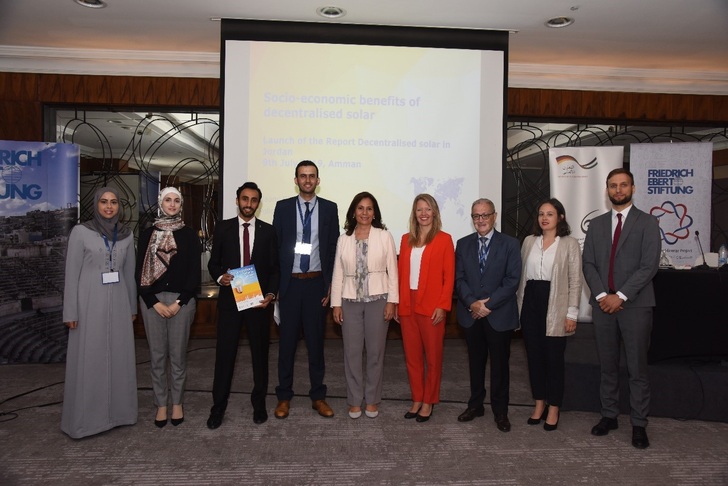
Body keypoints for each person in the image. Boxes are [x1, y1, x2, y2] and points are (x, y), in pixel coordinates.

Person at [582, 168, 660, 449]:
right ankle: (609, 415)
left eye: (623, 185)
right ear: (607, 190)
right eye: (613, 185)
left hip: (636, 305)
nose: (618, 190)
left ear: (633, 188)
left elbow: (649, 265)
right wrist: (604, 295)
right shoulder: (597, 224)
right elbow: (588, 263)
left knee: (637, 368)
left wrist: (622, 296)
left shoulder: (648, 223)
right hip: (603, 304)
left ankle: (639, 423)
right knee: (608, 366)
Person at [61, 186, 137, 439]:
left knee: (119, 358)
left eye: (114, 202)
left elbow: (129, 275)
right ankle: (86, 422)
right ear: (95, 204)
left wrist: (132, 308)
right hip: (87, 305)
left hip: (118, 304)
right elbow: (71, 275)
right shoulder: (81, 232)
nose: (109, 206)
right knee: (89, 360)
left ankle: (119, 414)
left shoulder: (126, 235)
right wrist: (70, 311)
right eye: (104, 202)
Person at [206, 182, 279, 429]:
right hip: (230, 303)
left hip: (258, 304)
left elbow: (274, 268)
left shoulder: (268, 231)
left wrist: (270, 294)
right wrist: (220, 278)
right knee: (224, 357)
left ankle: (259, 405)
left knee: (260, 356)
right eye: (245, 199)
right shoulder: (223, 228)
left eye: (254, 200)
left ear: (259, 203)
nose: (249, 204)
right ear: (237, 200)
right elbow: (213, 264)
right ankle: (218, 407)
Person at [272, 161, 339, 419]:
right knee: (286, 344)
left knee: (315, 344)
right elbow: (276, 249)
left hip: (315, 285)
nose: (307, 180)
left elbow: (332, 249)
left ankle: (318, 396)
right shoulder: (284, 207)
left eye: (312, 176)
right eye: (303, 176)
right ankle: (283, 397)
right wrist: (276, 286)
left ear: (318, 180)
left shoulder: (330, 208)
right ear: (296, 179)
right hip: (289, 285)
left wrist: (331, 284)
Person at [136, 187, 201, 428]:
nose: (172, 204)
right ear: (160, 203)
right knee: (156, 356)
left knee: (177, 357)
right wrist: (153, 302)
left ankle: (177, 404)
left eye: (176, 201)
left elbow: (194, 274)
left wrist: (178, 303)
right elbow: (138, 273)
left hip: (181, 303)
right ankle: (161, 404)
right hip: (152, 303)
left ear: (181, 205)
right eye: (167, 200)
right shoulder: (147, 234)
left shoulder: (189, 235)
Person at [455, 198, 521, 433]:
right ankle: (475, 405)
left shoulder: (511, 244)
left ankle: (500, 411)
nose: (480, 220)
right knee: (475, 363)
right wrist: (472, 303)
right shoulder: (462, 244)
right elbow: (459, 279)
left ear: (495, 216)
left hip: (499, 315)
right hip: (471, 314)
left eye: (485, 215)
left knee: (500, 366)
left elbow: (512, 280)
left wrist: (487, 304)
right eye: (476, 216)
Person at [331, 192, 398, 419]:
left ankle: (372, 399)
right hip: (349, 302)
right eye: (360, 208)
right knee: (351, 353)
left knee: (376, 353)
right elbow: (338, 274)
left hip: (378, 300)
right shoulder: (344, 239)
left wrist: (392, 301)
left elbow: (393, 272)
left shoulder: (384, 236)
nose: (365, 213)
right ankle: (354, 400)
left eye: (369, 209)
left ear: (375, 213)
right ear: (353, 212)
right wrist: (336, 304)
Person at [516, 198, 581, 431]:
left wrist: (572, 313)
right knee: (534, 359)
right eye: (541, 213)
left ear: (560, 218)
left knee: (554, 360)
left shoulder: (569, 244)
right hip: (531, 303)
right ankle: (539, 404)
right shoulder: (528, 241)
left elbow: (575, 281)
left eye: (550, 214)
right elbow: (522, 278)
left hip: (556, 304)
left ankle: (554, 407)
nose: (544, 218)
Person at [395, 194, 455, 423]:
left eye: (427, 209)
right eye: (419, 209)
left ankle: (429, 400)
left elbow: (448, 277)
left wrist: (443, 305)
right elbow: (401, 275)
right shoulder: (405, 239)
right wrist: (399, 304)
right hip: (408, 305)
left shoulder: (444, 239)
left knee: (433, 357)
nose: (423, 214)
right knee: (412, 358)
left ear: (435, 213)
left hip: (432, 307)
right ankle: (417, 398)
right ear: (414, 213)